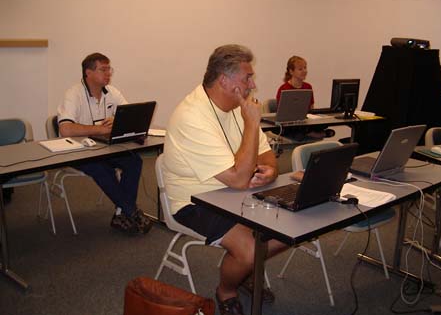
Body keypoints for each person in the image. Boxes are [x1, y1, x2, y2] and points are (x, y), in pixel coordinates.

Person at [162, 44, 288, 315]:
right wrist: (253, 124)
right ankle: (227, 290)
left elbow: (266, 154)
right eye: (247, 78)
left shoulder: (237, 106)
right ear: (224, 81)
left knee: (292, 229)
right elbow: (239, 179)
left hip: (233, 192)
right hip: (195, 200)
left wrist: (271, 171)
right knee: (252, 251)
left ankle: (244, 273)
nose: (253, 84)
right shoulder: (192, 116)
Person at [57, 52, 152, 235]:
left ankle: (121, 212)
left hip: (104, 147)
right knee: (102, 169)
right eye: (103, 69)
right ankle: (132, 212)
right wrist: (101, 130)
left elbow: (130, 115)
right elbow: (65, 130)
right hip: (78, 150)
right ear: (88, 73)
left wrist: (116, 121)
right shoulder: (73, 94)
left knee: (134, 161)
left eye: (109, 69)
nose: (108, 73)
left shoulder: (112, 92)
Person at [276, 55, 335, 140]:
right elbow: (281, 113)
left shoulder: (308, 87)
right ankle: (316, 134)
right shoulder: (284, 89)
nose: (304, 71)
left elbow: (311, 108)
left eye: (305, 68)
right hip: (290, 124)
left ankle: (310, 132)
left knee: (323, 123)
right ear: (291, 71)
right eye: (300, 69)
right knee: (297, 133)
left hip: (305, 121)